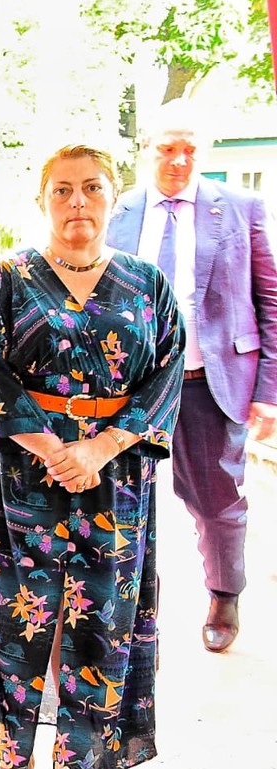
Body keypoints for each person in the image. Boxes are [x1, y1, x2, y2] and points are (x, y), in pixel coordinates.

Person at [0, 146, 183, 769]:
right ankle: (15, 765)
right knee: (23, 617)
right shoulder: (5, 278)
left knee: (98, 618)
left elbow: (166, 372)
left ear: (114, 196)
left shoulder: (146, 285)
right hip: (23, 475)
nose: (77, 202)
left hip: (115, 477)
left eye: (91, 188)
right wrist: (56, 450)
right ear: (42, 199)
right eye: (62, 190)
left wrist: (102, 447)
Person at [104, 121, 277, 652]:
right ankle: (135, 605)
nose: (178, 160)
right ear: (148, 151)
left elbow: (269, 301)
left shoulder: (241, 207)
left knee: (216, 502)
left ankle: (225, 594)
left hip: (210, 383)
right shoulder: (118, 209)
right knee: (123, 501)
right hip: (132, 388)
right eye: (167, 149)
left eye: (189, 150)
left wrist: (268, 391)